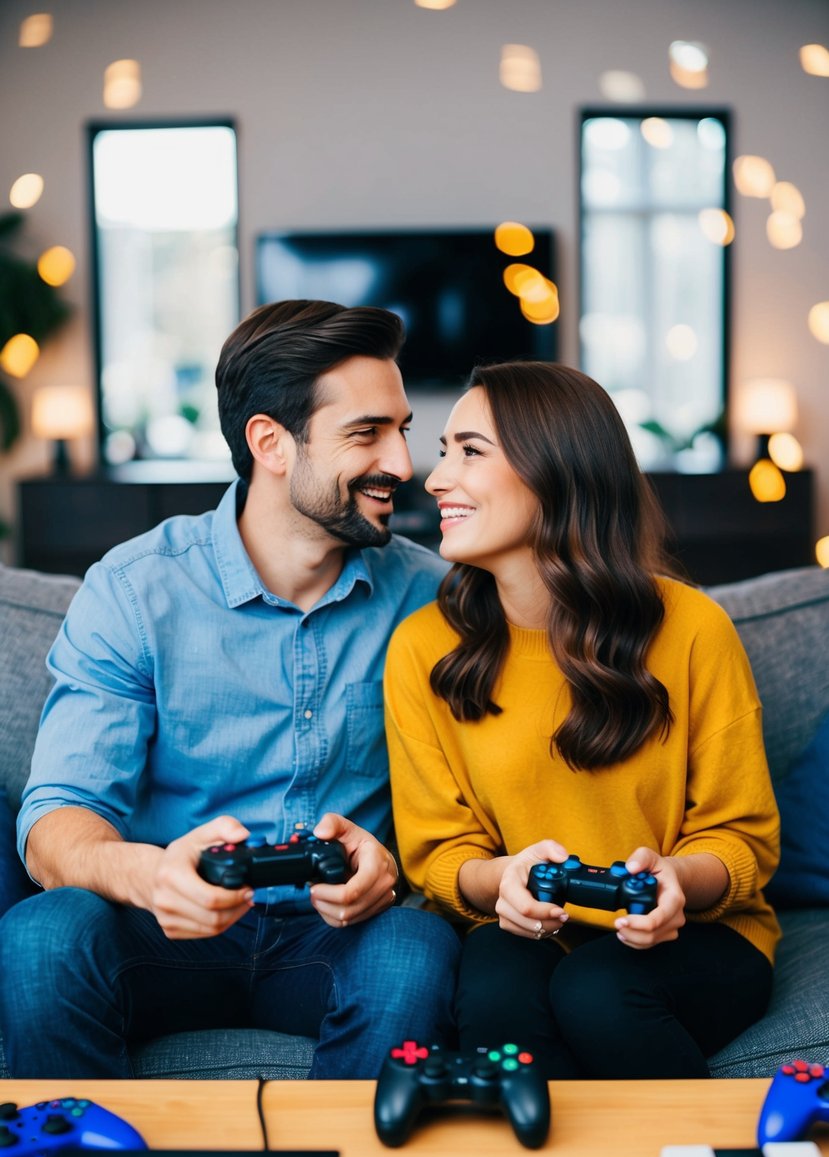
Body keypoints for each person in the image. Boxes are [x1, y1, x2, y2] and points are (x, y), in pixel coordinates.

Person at [0, 299, 460, 1079]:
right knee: (42, 934)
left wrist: (398, 866)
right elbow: (54, 822)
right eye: (365, 433)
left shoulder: (433, 596)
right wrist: (152, 875)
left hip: (333, 938)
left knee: (414, 946)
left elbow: (480, 799)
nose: (403, 465)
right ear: (269, 443)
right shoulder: (135, 591)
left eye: (401, 429)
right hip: (160, 931)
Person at [384, 360, 781, 1079]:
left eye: (469, 451)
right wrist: (498, 878)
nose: (435, 478)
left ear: (556, 470)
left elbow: (743, 841)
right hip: (524, 929)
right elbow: (437, 853)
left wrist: (673, 882)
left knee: (597, 988)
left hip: (697, 935)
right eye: (442, 452)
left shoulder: (692, 629)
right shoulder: (421, 648)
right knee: (496, 996)